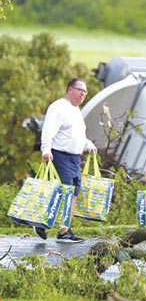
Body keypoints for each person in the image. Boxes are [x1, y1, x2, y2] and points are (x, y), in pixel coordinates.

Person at [38, 78, 97, 243]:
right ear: (70, 89)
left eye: (85, 92)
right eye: (80, 90)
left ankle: (64, 230)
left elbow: (78, 135)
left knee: (74, 193)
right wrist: (46, 150)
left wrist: (89, 145)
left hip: (75, 157)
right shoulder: (58, 107)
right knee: (64, 192)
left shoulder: (76, 110)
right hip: (60, 155)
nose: (83, 95)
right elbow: (48, 131)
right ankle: (42, 222)